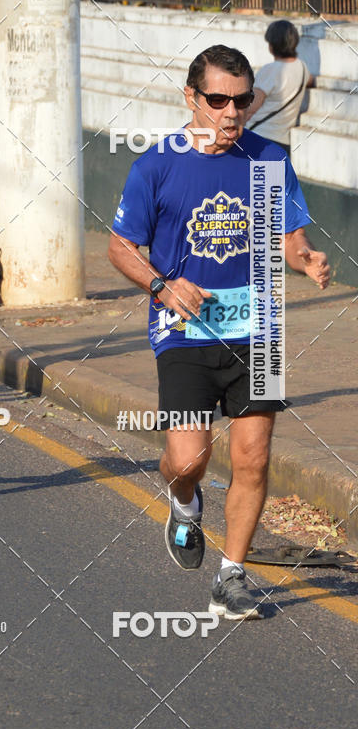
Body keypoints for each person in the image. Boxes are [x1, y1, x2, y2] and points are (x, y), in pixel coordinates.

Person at [108, 44, 330, 620]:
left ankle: (231, 577)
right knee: (187, 460)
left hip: (257, 326)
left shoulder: (267, 160)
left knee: (253, 457)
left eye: (242, 100)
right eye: (217, 100)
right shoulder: (156, 164)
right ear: (192, 97)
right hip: (182, 329)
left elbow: (287, 230)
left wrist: (302, 257)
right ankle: (184, 504)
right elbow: (120, 247)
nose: (231, 113)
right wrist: (164, 287)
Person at [244, 20, 315, 154]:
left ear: (272, 46)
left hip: (258, 139)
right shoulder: (303, 68)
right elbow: (311, 81)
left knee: (250, 175)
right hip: (282, 144)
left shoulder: (269, 70)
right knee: (274, 176)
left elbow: (251, 108)